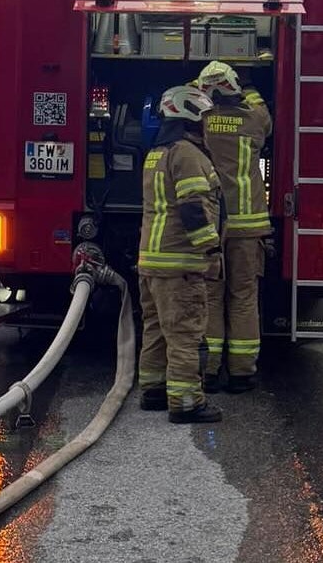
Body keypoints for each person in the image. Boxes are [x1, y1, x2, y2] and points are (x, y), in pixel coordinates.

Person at [137, 84, 225, 424]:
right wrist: (211, 248)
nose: (206, 124)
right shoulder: (188, 154)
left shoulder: (156, 153)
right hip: (181, 263)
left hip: (152, 261)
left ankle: (154, 390)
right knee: (185, 334)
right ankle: (186, 402)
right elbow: (192, 209)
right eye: (203, 116)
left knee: (156, 329)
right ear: (190, 115)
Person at [196, 61, 271, 395]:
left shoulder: (201, 123)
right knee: (243, 297)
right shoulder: (254, 120)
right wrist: (250, 84)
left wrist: (200, 84)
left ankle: (209, 371)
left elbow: (190, 98)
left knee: (210, 296)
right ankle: (242, 373)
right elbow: (264, 115)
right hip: (247, 225)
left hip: (211, 225)